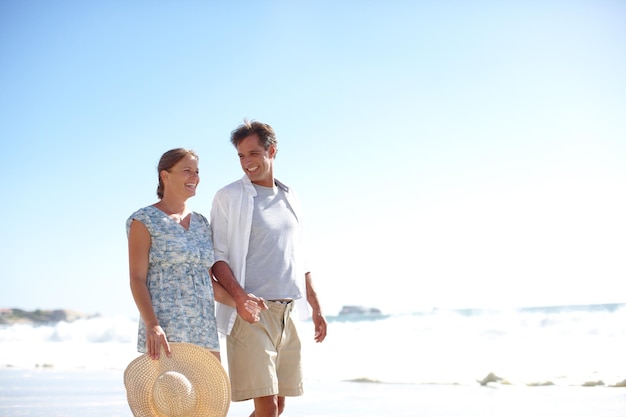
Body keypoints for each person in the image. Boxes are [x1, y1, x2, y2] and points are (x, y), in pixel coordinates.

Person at [210, 120, 328, 417]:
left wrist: (315, 305)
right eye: (241, 156)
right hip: (252, 314)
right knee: (267, 408)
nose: (246, 163)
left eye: (253, 154)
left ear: (271, 150)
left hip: (287, 314)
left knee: (280, 404)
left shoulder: (290, 196)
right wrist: (240, 298)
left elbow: (299, 256)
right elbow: (218, 257)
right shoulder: (229, 196)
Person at [126, 148, 257, 362]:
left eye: (197, 171)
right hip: (166, 331)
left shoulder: (201, 223)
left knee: (212, 395)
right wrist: (153, 325)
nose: (194, 177)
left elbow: (205, 281)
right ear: (165, 175)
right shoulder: (144, 220)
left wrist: (241, 302)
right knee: (171, 395)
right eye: (187, 170)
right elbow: (137, 279)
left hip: (204, 330)